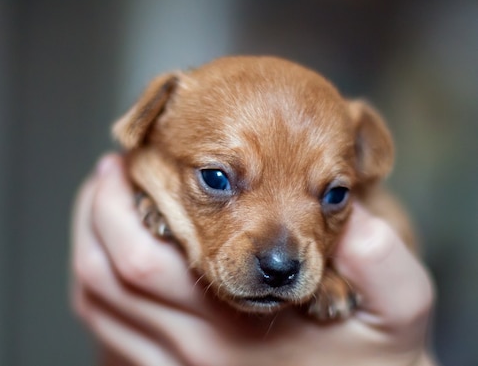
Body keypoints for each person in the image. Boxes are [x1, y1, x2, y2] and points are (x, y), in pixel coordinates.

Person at [70, 154, 437, 366]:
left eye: (333, 194)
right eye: (216, 180)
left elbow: (394, 229)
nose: (279, 260)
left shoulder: (371, 217)